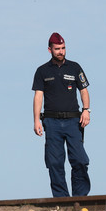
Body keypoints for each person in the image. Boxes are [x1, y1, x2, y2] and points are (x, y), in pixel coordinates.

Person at [32, 32, 91, 197]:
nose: (61, 52)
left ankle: (81, 197)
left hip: (73, 121)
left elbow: (84, 90)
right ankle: (62, 200)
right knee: (55, 162)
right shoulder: (42, 71)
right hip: (51, 122)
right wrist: (36, 120)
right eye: (57, 49)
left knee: (80, 160)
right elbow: (38, 96)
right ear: (50, 50)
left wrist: (86, 110)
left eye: (63, 48)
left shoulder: (75, 67)